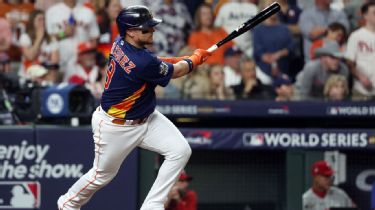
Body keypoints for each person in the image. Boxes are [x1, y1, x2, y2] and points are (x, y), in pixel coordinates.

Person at [57, 5, 211, 210]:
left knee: (180, 150)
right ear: (130, 31)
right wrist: (194, 60)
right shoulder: (142, 61)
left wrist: (184, 59)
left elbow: (157, 64)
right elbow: (174, 71)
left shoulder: (120, 43)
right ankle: (67, 203)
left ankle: (152, 206)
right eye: (146, 28)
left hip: (146, 117)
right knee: (102, 175)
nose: (152, 31)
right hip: (116, 127)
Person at [18, 9, 59, 85]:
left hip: (46, 78)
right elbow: (30, 56)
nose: (42, 22)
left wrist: (47, 78)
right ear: (32, 21)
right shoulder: (25, 37)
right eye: (39, 19)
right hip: (28, 78)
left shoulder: (51, 39)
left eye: (44, 19)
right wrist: (39, 38)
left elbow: (54, 63)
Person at [345, 1, 375, 101]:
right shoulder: (356, 36)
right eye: (374, 12)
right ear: (365, 15)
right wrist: (361, 77)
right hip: (362, 91)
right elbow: (349, 61)